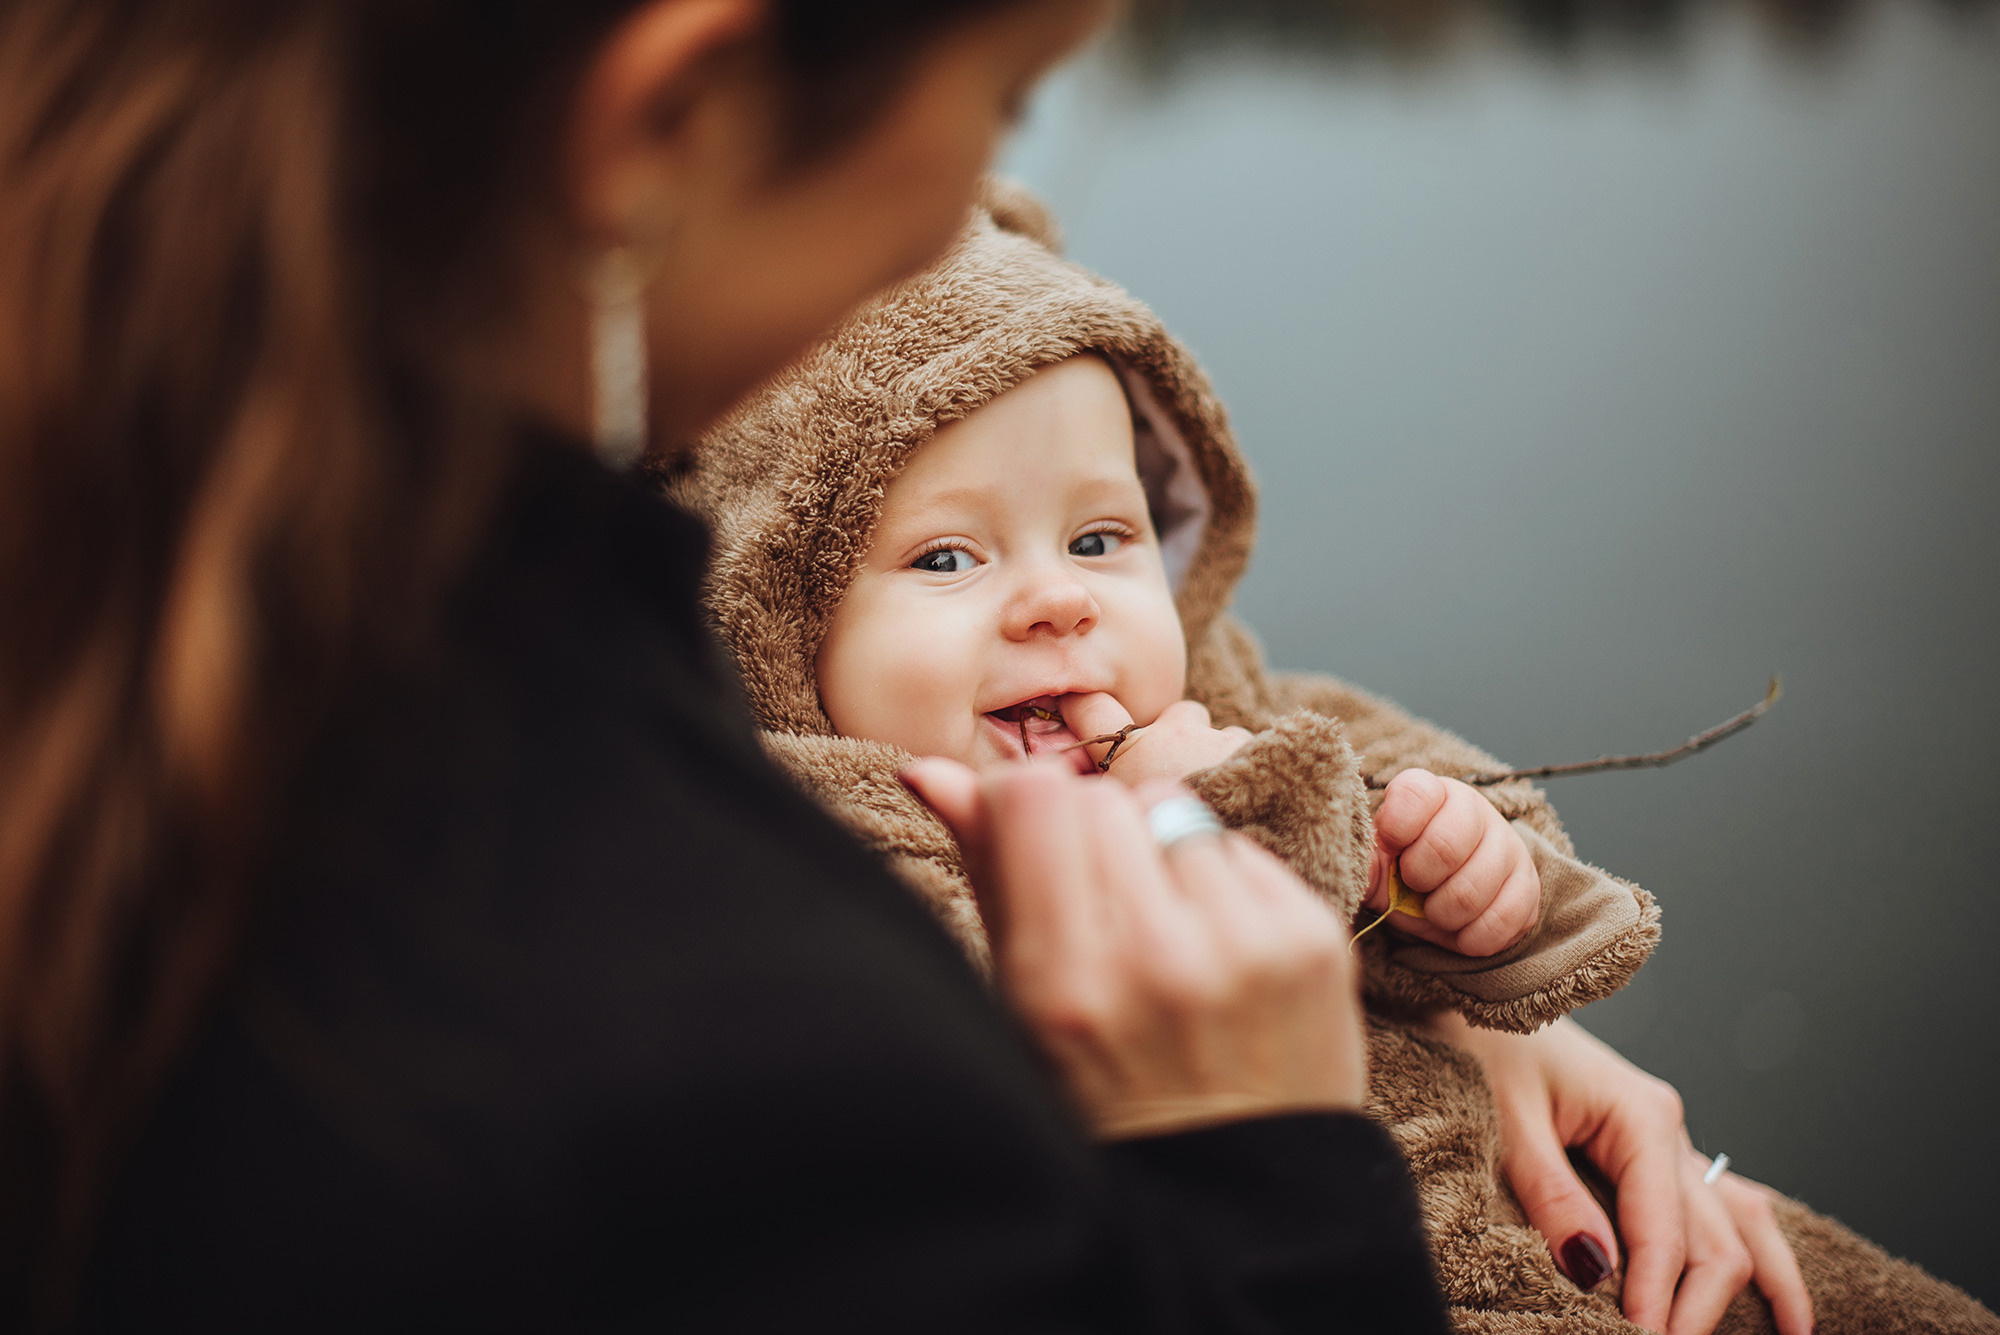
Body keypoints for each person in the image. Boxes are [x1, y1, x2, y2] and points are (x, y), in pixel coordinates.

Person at [0, 1, 1453, 1330]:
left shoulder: (151, 668)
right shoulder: (782, 1079)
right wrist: (1278, 1169)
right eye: (1002, 99)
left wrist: (1437, 1019)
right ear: (670, 120)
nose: (981, 201)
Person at [671, 185, 2000, 1335]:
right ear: (778, 624)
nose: (1058, 603)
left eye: (1099, 540)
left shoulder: (1224, 689)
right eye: (949, 558)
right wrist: (1236, 812)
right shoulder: (848, 887)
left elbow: (1403, 782)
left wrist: (1463, 886)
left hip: (1561, 1221)